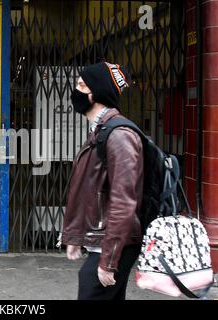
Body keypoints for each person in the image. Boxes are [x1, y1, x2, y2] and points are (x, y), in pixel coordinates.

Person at [62, 61, 144, 300]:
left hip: (115, 245)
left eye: (81, 85)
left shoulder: (119, 136)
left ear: (97, 93)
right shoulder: (101, 131)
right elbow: (88, 191)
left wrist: (109, 261)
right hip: (105, 241)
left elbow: (124, 201)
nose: (75, 91)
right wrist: (75, 237)